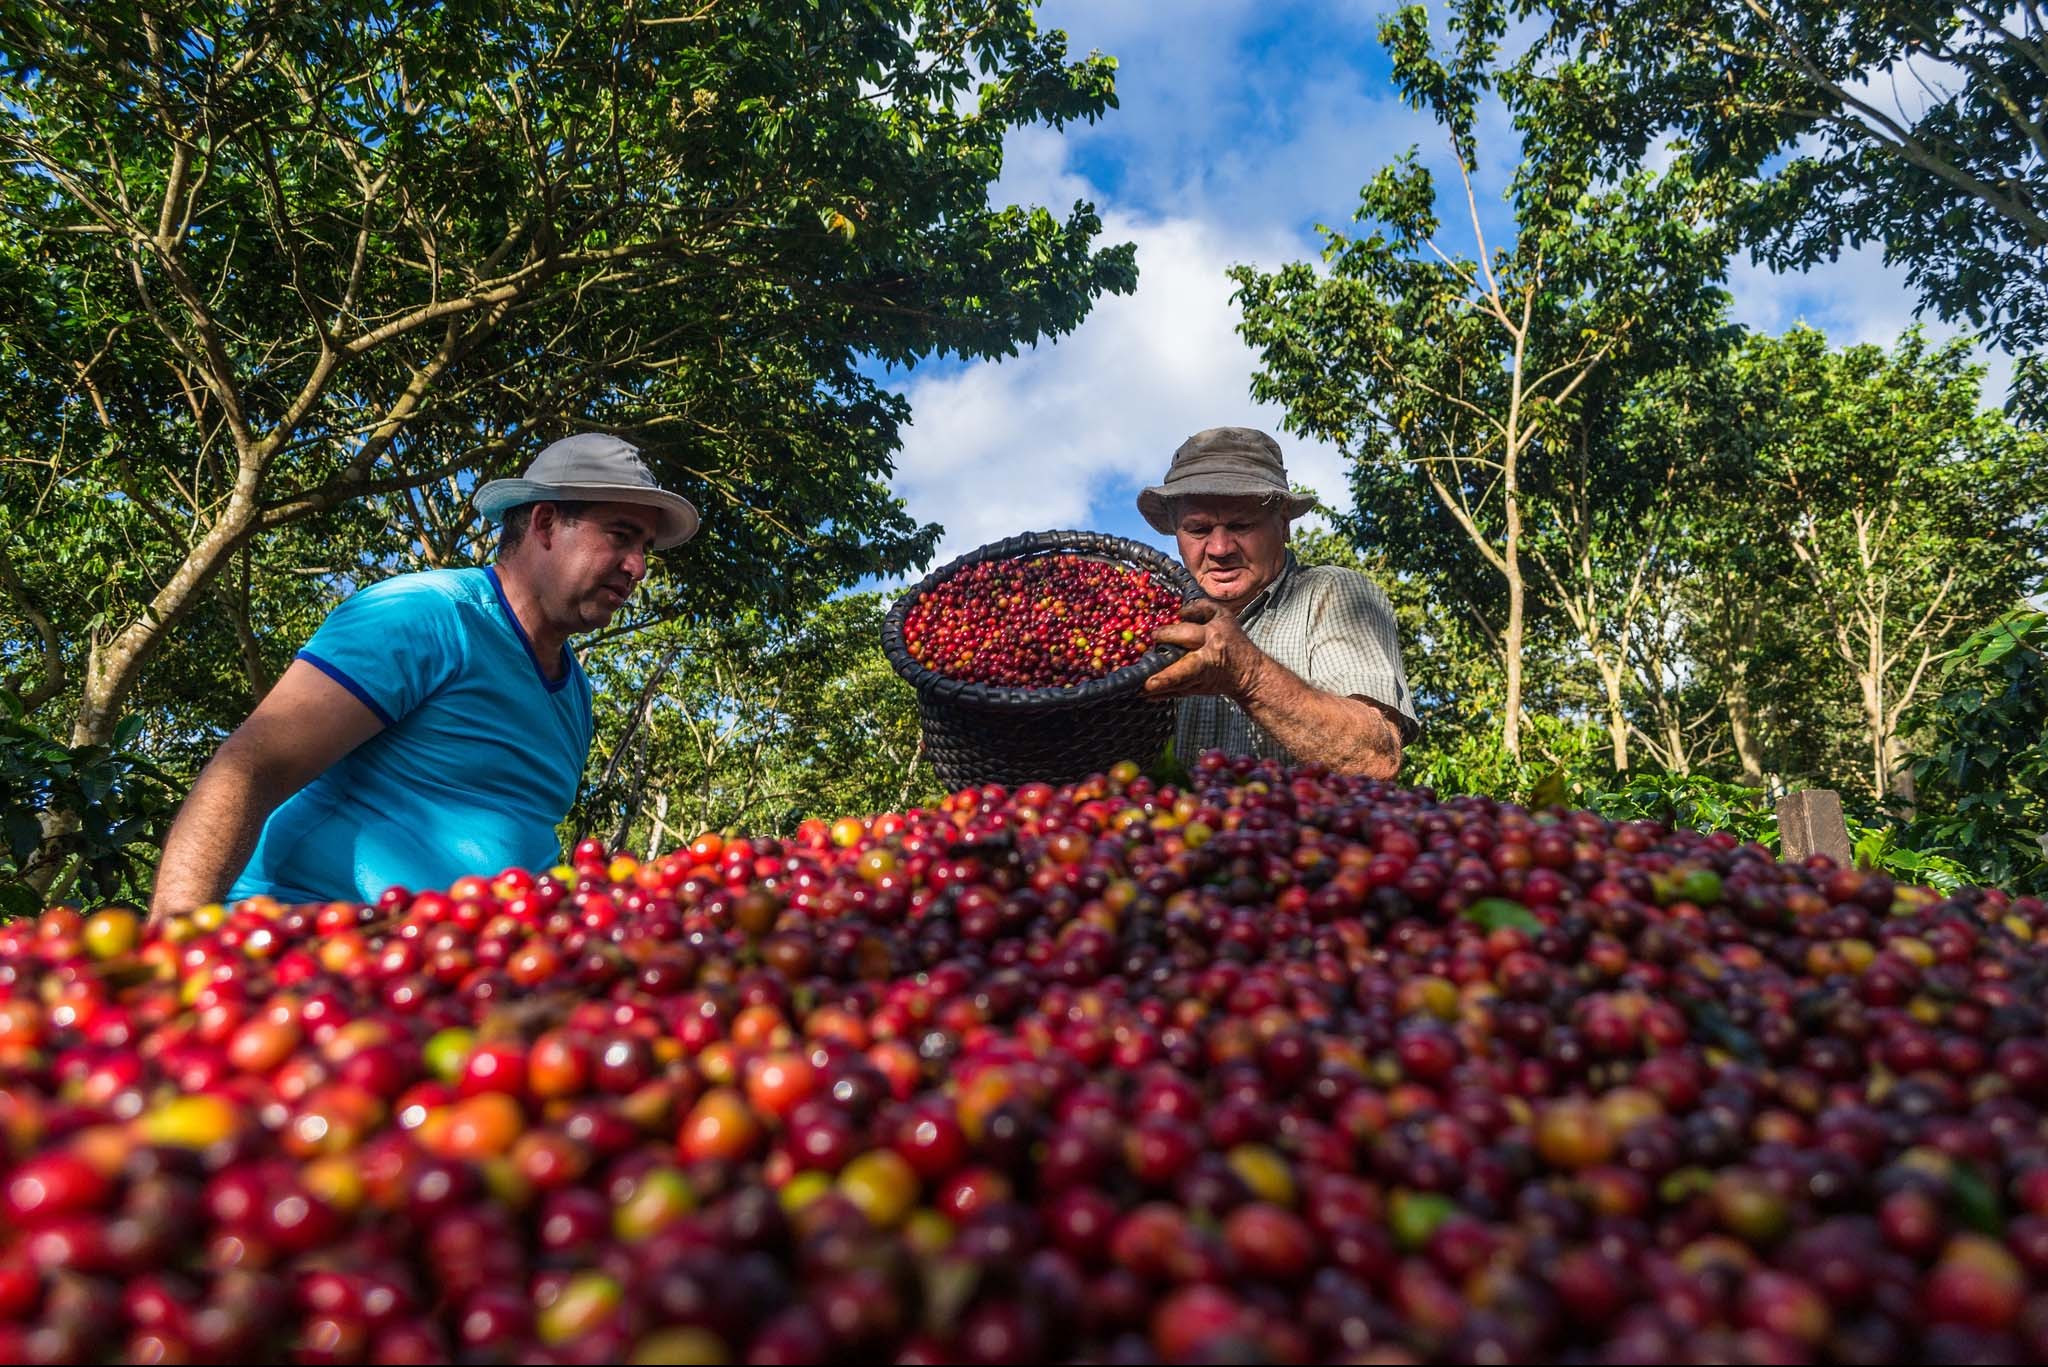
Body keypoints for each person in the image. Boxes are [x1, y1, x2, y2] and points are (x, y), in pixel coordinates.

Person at [149, 434, 698, 918]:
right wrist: (175, 940)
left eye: (645, 549)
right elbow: (253, 764)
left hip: (453, 975)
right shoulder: (425, 616)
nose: (637, 566)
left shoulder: (573, 694)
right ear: (546, 523)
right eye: (620, 536)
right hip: (309, 949)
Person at [1139, 426, 1416, 777]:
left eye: (1241, 525)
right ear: (1177, 533)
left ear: (1283, 524)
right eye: (1198, 529)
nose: (1220, 549)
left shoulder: (1330, 594)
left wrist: (1248, 674)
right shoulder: (1153, 617)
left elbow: (1374, 758)